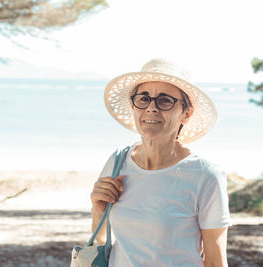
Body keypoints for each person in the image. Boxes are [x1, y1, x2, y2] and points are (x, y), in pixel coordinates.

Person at [90, 58, 231, 266]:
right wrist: (98, 208)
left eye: (165, 100)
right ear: (134, 106)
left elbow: (215, 261)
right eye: (144, 99)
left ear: (186, 114)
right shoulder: (117, 162)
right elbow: (100, 243)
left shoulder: (205, 175)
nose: (152, 108)